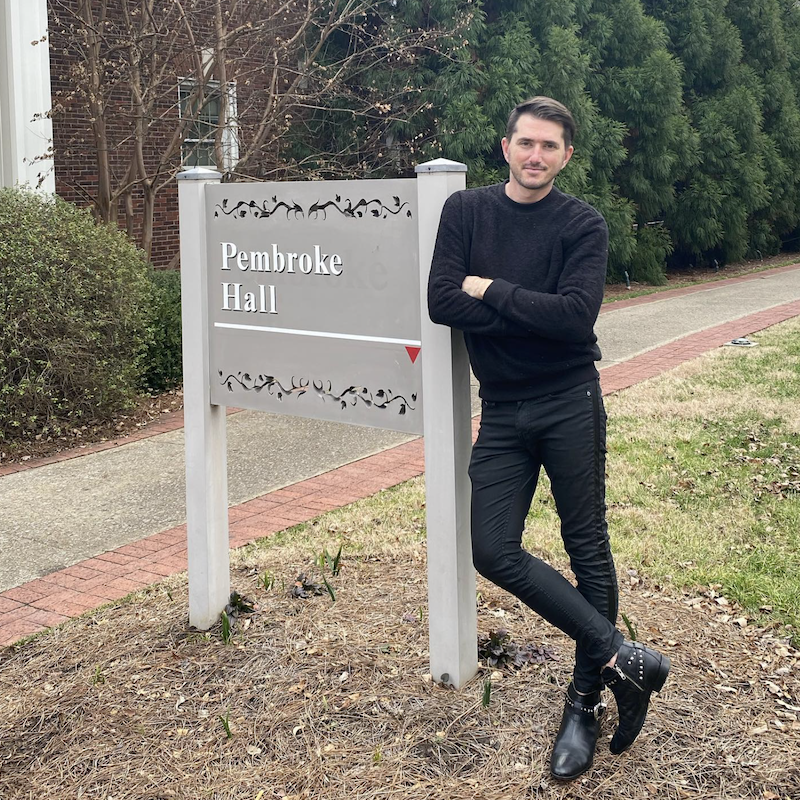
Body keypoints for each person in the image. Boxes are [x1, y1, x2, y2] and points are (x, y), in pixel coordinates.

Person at [427, 97, 670, 781]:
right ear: (504, 147)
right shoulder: (466, 213)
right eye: (525, 143)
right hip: (502, 410)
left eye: (550, 147)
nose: (536, 156)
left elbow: (574, 318)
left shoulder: (580, 223)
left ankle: (585, 700)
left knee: (585, 543)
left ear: (566, 156)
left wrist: (492, 289)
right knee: (492, 548)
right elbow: (442, 302)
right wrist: (532, 311)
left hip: (569, 402)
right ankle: (624, 656)